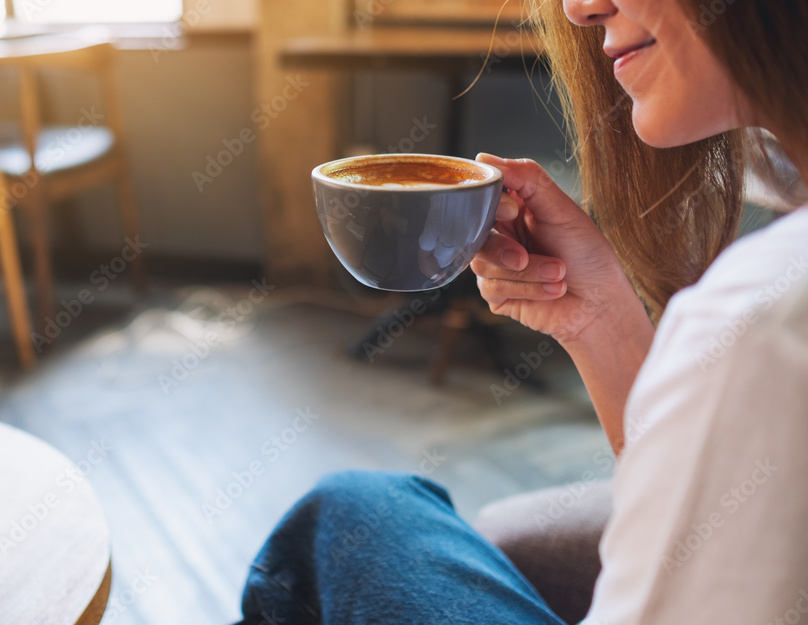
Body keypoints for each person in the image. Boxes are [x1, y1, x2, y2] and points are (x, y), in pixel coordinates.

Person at [236, 0, 808, 622]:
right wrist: (599, 320)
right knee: (501, 532)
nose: (581, 9)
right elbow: (690, 499)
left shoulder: (767, 319)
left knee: (346, 512)